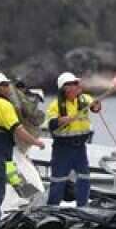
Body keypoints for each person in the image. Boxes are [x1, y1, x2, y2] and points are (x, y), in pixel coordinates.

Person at [0, 72, 43, 226]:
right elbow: (17, 129)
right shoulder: (4, 105)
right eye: (5, 85)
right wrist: (36, 142)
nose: (8, 88)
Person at [46, 72, 101, 206]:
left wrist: (97, 106)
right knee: (58, 180)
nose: (77, 86)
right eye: (73, 84)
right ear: (65, 88)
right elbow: (51, 124)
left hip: (80, 147)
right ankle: (52, 208)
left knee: (84, 178)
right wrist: (61, 120)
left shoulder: (84, 99)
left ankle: (82, 207)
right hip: (62, 148)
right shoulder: (55, 105)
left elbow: (95, 107)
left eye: (77, 83)